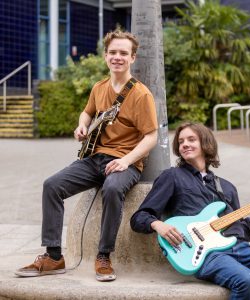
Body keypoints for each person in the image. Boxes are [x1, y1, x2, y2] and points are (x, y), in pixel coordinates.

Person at [15, 29, 158, 282]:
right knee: (52, 185)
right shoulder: (99, 87)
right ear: (105, 56)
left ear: (132, 58)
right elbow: (87, 113)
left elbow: (151, 137)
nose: (117, 57)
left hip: (126, 162)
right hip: (96, 158)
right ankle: (53, 256)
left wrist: (125, 161)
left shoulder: (141, 94)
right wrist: (82, 126)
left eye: (123, 53)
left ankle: (103, 256)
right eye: (113, 52)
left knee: (112, 189)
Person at [130, 122, 250, 299]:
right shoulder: (172, 176)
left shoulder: (227, 187)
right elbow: (139, 218)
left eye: (191, 139)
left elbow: (241, 233)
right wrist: (158, 225)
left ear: (205, 143)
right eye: (181, 141)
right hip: (206, 255)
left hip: (240, 250)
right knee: (246, 281)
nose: (184, 144)